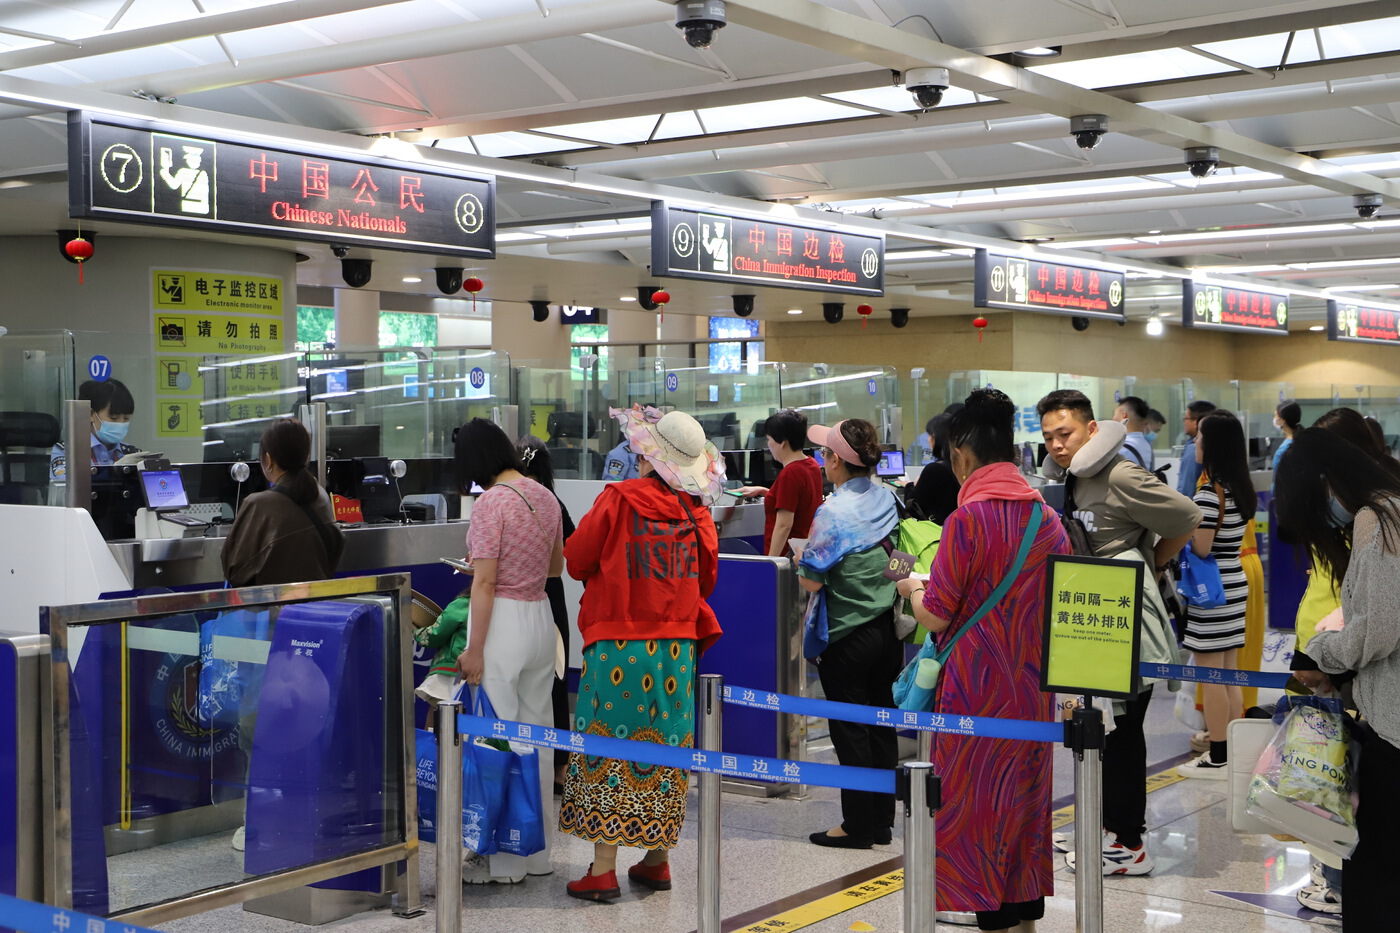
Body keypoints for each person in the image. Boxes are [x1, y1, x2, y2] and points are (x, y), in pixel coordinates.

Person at [896, 389, 1069, 933]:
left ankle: (990, 913)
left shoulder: (967, 521)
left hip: (974, 695)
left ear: (962, 453)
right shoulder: (1048, 520)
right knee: (1023, 805)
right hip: (1033, 695)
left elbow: (937, 615)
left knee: (977, 809)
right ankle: (1024, 920)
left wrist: (911, 587)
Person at [558, 406, 723, 901]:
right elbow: (707, 580)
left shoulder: (618, 499)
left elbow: (576, 558)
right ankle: (655, 861)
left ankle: (602, 870)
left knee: (610, 746)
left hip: (617, 645)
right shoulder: (698, 514)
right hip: (676, 649)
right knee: (665, 748)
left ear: (649, 456)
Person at [1036, 390, 1199, 875]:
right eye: (1048, 437)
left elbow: (1187, 517)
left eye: (1065, 433)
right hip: (1088, 618)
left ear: (1091, 429)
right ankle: (1103, 826)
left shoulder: (1121, 474)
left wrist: (1152, 563)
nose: (1057, 445)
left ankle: (1128, 843)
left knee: (1123, 733)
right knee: (1094, 729)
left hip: (1124, 619)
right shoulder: (1070, 476)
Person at [1275, 428, 1400, 933]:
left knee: (1376, 878)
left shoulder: (1379, 517)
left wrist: (1322, 652)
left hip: (1393, 727)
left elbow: (1377, 629)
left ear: (1324, 482)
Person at [454, 418, 564, 885]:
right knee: (538, 737)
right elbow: (556, 565)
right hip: (541, 618)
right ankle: (536, 854)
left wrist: (474, 650)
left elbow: (484, 582)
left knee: (495, 739)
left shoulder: (490, 503)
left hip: (502, 622)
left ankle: (500, 862)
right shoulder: (545, 496)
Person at [797, 417, 900, 850]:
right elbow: (902, 559)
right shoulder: (889, 498)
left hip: (846, 637)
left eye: (825, 453)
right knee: (881, 725)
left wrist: (803, 560)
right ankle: (881, 822)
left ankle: (856, 826)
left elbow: (812, 581)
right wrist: (880, 587)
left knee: (851, 730)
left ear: (835, 460)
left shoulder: (833, 512)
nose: (823, 460)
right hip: (887, 632)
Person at [1177, 410, 1255, 778]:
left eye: (1200, 436)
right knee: (1228, 673)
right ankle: (1232, 750)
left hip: (1211, 590)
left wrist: (1183, 532)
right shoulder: (1238, 488)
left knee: (1210, 677)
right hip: (1233, 581)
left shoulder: (1210, 493)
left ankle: (1218, 755)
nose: (1195, 441)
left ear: (1213, 445)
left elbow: (1203, 548)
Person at [515, 435, 576, 791]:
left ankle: (522, 761)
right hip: (551, 593)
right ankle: (560, 766)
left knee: (518, 678)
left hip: (514, 594)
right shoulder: (553, 501)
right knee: (557, 677)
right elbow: (573, 547)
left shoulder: (507, 497)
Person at [221, 418, 344, 586]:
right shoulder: (321, 496)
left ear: (268, 459)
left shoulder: (259, 504)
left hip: (271, 602)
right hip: (315, 600)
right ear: (307, 457)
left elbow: (234, 570)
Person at [734, 408, 823, 556]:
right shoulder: (811, 464)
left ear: (782, 443)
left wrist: (771, 562)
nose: (768, 445)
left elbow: (783, 525)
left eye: (769, 439)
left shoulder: (790, 473)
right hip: (804, 550)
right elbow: (798, 500)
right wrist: (765, 492)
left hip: (786, 556)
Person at [49, 378, 141, 486]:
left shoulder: (131, 453)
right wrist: (114, 471)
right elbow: (69, 487)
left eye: (126, 419)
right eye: (113, 417)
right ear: (91, 414)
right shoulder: (68, 451)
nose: (121, 423)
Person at [909, 412, 960, 524]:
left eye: (930, 435)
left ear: (937, 437)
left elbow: (912, 507)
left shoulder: (935, 470)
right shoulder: (963, 465)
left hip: (938, 531)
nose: (928, 440)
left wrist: (912, 485)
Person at [1176, 400, 1216, 496]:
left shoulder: (1194, 449)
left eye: (1186, 418)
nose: (1184, 422)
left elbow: (1187, 488)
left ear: (1196, 422)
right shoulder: (1213, 445)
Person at [1113, 395, 1154, 471]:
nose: (1113, 421)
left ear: (1124, 416)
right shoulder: (1146, 446)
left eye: (1114, 417)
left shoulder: (1121, 450)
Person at [1272, 399, 1301, 473]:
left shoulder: (1284, 450)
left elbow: (1278, 478)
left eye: (1275, 416)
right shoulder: (1303, 440)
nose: (1274, 419)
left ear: (1282, 421)